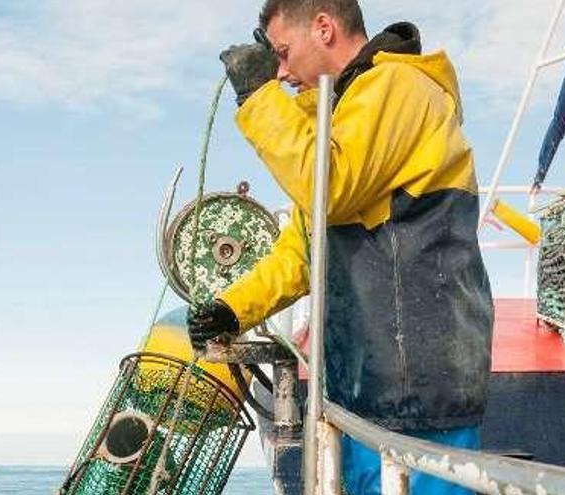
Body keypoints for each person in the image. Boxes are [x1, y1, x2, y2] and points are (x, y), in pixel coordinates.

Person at [187, 1, 494, 493]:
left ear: (324, 28)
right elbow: (302, 252)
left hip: (417, 396)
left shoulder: (399, 85)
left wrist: (259, 98)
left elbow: (327, 187)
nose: (280, 72)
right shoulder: (343, 118)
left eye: (283, 52)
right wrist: (231, 309)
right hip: (367, 390)